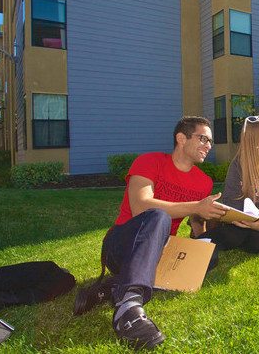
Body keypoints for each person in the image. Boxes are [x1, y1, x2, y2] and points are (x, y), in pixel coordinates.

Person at [73, 116, 227, 350]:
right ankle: (129, 308)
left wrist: (202, 236)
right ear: (181, 138)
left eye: (211, 142)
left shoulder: (203, 182)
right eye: (203, 138)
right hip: (124, 245)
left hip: (163, 249)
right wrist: (196, 206)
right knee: (158, 216)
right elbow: (141, 206)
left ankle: (111, 288)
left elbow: (195, 220)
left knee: (208, 257)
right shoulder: (149, 161)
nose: (208, 145)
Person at [196, 115, 259, 254]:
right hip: (248, 221)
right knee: (232, 235)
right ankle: (194, 246)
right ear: (250, 140)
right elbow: (231, 199)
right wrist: (240, 219)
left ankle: (247, 235)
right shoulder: (238, 165)